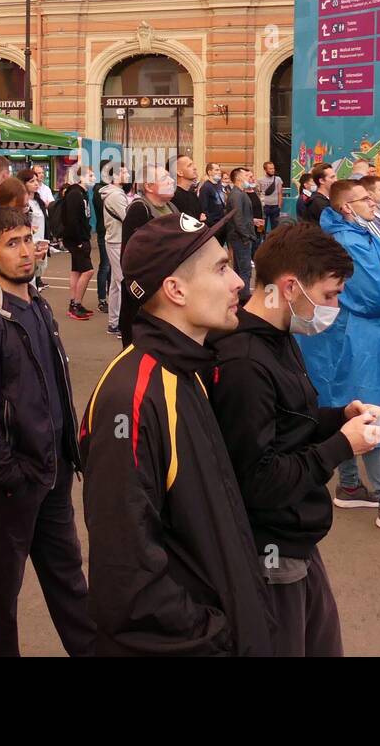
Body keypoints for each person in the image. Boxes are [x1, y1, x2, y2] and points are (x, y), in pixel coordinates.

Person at [80, 211, 273, 655]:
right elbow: (125, 576)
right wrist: (215, 637)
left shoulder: (190, 368)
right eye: (222, 269)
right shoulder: (131, 396)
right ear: (176, 289)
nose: (239, 282)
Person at [209, 221, 380, 656]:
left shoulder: (276, 337)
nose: (336, 305)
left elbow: (289, 420)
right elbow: (258, 479)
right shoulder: (245, 362)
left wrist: (339, 418)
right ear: (290, 287)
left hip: (295, 535)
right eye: (330, 295)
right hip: (271, 546)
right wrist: (342, 445)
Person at [0, 208, 94, 657]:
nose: (26, 250)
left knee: (68, 577)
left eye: (28, 238)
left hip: (52, 468)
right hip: (11, 482)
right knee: (1, 591)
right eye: (11, 243)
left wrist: (68, 452)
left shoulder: (38, 305)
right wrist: (11, 477)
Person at [299, 179, 380, 539]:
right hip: (353, 337)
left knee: (352, 404)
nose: (375, 201)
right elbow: (379, 291)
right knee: (368, 409)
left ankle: (350, 484)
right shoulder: (347, 240)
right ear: (345, 207)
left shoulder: (364, 232)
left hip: (362, 335)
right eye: (365, 198)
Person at [118, 166, 177, 345]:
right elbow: (130, 258)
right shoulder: (139, 210)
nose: (172, 181)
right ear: (150, 186)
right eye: (165, 178)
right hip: (146, 296)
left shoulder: (171, 207)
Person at [60, 164, 95, 321]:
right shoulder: (75, 193)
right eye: (90, 175)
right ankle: (76, 304)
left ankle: (74, 303)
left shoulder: (82, 193)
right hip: (77, 239)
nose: (93, 178)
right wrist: (79, 240)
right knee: (88, 271)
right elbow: (72, 219)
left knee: (77, 271)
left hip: (80, 237)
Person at [99, 167, 129, 337]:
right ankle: (121, 325)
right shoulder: (116, 195)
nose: (128, 175)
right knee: (122, 283)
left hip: (114, 239)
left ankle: (114, 322)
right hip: (117, 240)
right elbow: (128, 217)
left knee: (116, 284)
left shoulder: (113, 193)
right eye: (124, 172)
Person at [226, 168, 256, 303]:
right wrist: (246, 236)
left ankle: (239, 296)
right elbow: (237, 217)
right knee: (245, 269)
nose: (249, 178)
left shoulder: (239, 193)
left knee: (241, 268)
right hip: (240, 238)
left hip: (241, 236)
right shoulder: (237, 195)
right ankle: (244, 297)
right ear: (238, 178)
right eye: (246, 175)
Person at [92, 162, 113, 313]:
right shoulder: (100, 190)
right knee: (105, 266)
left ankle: (111, 296)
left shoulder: (111, 189)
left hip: (113, 231)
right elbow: (105, 207)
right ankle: (102, 299)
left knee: (113, 267)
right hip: (104, 231)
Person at [169, 155, 202, 220]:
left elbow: (201, 215)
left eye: (193, 164)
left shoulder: (192, 194)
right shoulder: (174, 195)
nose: (195, 168)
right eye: (189, 165)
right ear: (179, 172)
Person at [258, 161, 283, 233]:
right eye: (270, 169)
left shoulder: (278, 179)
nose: (272, 170)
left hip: (275, 207)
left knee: (275, 229)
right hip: (264, 207)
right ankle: (262, 241)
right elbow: (258, 194)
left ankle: (274, 242)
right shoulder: (260, 180)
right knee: (262, 228)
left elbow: (280, 193)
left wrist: (279, 206)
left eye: (273, 168)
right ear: (265, 170)